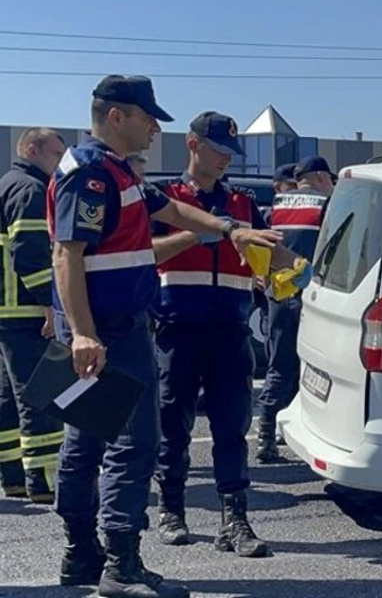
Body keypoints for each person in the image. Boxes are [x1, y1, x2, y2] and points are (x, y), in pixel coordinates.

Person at [51, 75, 280, 597]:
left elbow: (173, 212)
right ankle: (120, 565)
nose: (156, 127)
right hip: (108, 331)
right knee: (134, 445)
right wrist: (84, 333)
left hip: (115, 327)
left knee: (87, 444)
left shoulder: (116, 174)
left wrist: (231, 230)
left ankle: (82, 556)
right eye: (147, 117)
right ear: (116, 117)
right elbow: (68, 254)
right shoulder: (91, 173)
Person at [148, 112, 270, 558]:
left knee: (232, 427)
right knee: (172, 425)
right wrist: (195, 234)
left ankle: (234, 519)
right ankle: (172, 508)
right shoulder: (166, 198)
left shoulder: (241, 202)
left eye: (230, 154)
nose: (226, 161)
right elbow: (145, 252)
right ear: (193, 145)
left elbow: (261, 257)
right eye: (219, 151)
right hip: (178, 328)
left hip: (230, 330)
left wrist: (277, 271)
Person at [0, 128, 66, 504]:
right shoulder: (31, 190)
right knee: (39, 395)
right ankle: (43, 479)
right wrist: (49, 304)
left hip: (7, 309)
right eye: (55, 154)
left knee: (8, 398)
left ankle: (13, 476)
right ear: (31, 149)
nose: (60, 162)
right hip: (26, 310)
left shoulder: (8, 183)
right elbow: (30, 254)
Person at [254, 155, 333, 463]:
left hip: (277, 294)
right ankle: (278, 434)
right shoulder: (325, 206)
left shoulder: (277, 204)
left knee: (279, 363)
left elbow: (259, 244)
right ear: (322, 178)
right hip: (310, 297)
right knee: (311, 369)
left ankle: (268, 432)